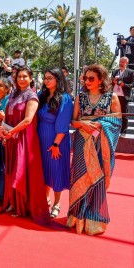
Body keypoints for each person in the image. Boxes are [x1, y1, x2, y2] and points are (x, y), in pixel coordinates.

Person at [68, 64, 122, 235]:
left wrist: (101, 124)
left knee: (97, 178)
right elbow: (73, 121)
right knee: (80, 176)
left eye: (92, 78)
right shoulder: (80, 97)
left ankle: (94, 218)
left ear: (101, 79)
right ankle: (77, 216)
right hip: (81, 142)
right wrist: (83, 124)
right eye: (85, 78)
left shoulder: (111, 97)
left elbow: (118, 122)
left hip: (100, 144)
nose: (87, 81)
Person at [0, 66, 49, 225]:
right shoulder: (14, 94)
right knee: (11, 169)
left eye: (24, 76)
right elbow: (7, 115)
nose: (21, 79)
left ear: (30, 78)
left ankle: (23, 207)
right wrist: (3, 130)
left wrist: (11, 132)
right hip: (12, 137)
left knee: (21, 172)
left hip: (25, 139)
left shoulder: (32, 96)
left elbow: (28, 120)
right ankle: (13, 203)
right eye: (19, 76)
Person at [37, 68, 73, 218]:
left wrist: (56, 144)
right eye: (45, 78)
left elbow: (63, 124)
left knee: (56, 171)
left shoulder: (65, 98)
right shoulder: (41, 95)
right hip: (40, 139)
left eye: (50, 78)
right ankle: (45, 199)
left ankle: (57, 203)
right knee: (44, 171)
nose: (46, 81)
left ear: (58, 79)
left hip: (57, 141)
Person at [111, 57, 134, 134]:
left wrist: (124, 85)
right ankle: (114, 129)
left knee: (124, 113)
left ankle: (123, 130)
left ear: (126, 63)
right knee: (113, 113)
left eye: (123, 62)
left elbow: (132, 84)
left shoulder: (131, 72)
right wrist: (113, 82)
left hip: (124, 96)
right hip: (114, 95)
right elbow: (109, 83)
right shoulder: (114, 71)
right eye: (120, 61)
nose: (121, 63)